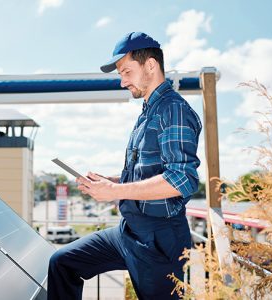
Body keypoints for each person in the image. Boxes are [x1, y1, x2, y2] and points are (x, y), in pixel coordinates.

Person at [47, 32, 202, 299]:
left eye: (127, 72)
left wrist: (115, 192)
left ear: (150, 65)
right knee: (62, 262)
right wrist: (110, 182)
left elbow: (181, 179)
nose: (122, 82)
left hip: (158, 240)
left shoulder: (173, 110)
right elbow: (147, 173)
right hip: (128, 231)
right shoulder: (147, 112)